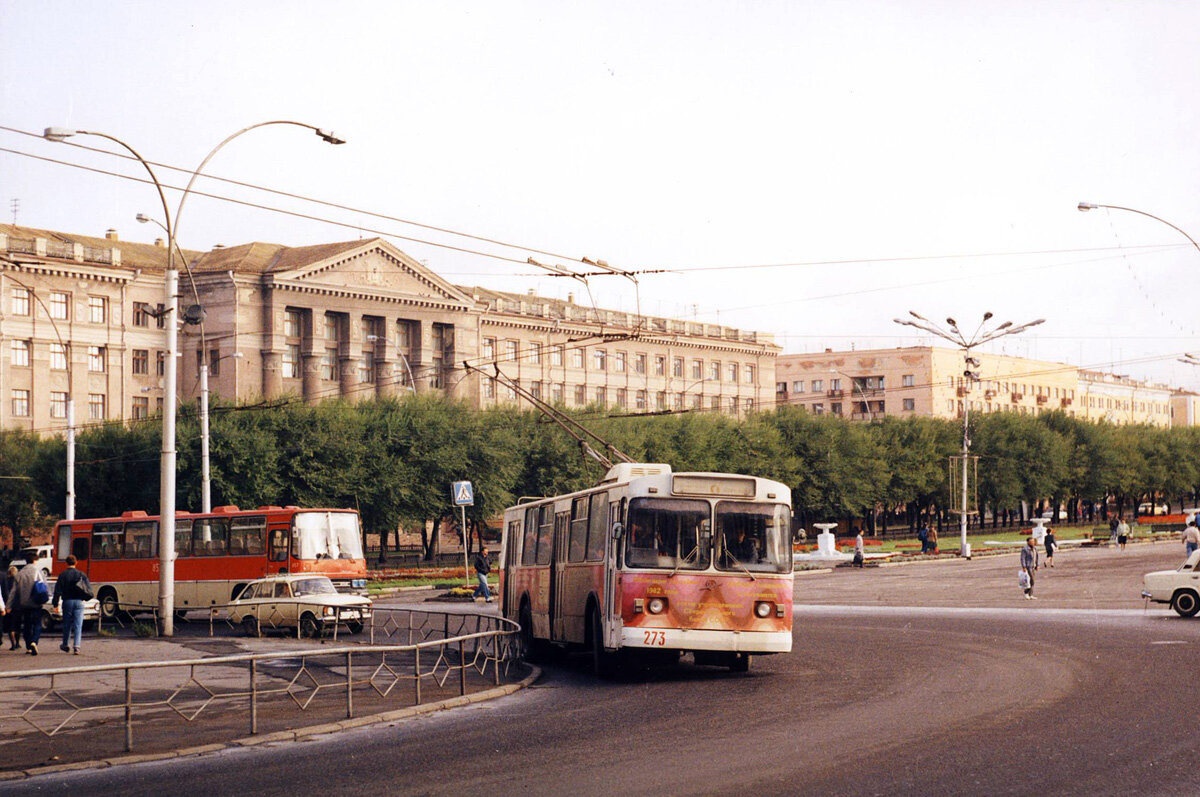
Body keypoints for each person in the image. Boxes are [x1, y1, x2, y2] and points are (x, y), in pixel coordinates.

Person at [4, 560, 47, 655]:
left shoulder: (19, 574)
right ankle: (34, 641)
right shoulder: (39, 572)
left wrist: (8, 605)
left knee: (27, 625)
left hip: (24, 604)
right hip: (36, 603)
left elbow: (13, 592)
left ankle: (28, 647)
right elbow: (45, 586)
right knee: (37, 624)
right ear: (35, 561)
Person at [52, 554, 92, 654]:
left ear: (66, 563)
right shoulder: (81, 574)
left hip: (67, 601)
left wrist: (55, 604)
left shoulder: (63, 575)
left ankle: (65, 644)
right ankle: (77, 646)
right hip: (79, 601)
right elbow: (88, 589)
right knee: (78, 624)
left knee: (67, 624)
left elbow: (57, 591)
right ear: (76, 562)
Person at [0, 565, 17, 651]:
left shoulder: (6, 579)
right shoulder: (17, 580)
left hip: (7, 603)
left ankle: (13, 644)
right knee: (15, 625)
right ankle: (16, 643)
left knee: (9, 625)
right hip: (15, 604)